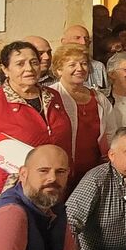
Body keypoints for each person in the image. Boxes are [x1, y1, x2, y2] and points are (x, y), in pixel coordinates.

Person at [0, 41, 74, 212]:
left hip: (50, 197)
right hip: (5, 203)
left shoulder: (54, 97)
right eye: (20, 63)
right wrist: (17, 184)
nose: (29, 68)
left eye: (34, 62)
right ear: (5, 69)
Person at [49, 44, 112, 187]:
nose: (80, 68)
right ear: (59, 70)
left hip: (95, 170)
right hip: (61, 169)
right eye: (72, 65)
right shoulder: (51, 96)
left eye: (83, 63)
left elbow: (111, 132)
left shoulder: (99, 97)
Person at [61, 25, 107, 91]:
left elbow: (106, 93)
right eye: (77, 38)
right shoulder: (58, 66)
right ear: (64, 42)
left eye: (86, 39)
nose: (83, 43)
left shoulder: (99, 67)